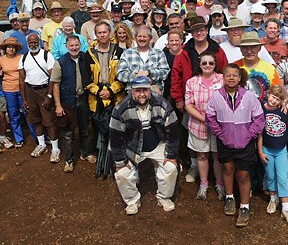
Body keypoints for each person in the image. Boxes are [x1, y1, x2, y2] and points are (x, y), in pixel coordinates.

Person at [205, 64, 266, 227]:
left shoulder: (249, 96)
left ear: (240, 78)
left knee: (243, 175)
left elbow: (259, 119)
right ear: (223, 77)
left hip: (245, 144)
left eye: (235, 75)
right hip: (225, 142)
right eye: (228, 75)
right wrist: (220, 133)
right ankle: (230, 197)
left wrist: (249, 135)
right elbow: (209, 116)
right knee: (228, 169)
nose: (231, 78)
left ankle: (244, 207)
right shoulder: (216, 96)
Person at [111, 76, 180, 215]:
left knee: (171, 168)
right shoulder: (121, 109)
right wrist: (120, 162)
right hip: (132, 147)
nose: (141, 94)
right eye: (137, 91)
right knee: (122, 173)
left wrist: (171, 155)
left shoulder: (162, 104)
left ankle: (164, 197)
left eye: (145, 90)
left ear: (150, 90)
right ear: (131, 91)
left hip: (157, 145)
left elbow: (173, 131)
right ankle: (132, 201)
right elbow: (115, 138)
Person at [184, 51, 225, 201]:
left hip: (219, 125)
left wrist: (215, 119)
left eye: (211, 63)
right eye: (204, 63)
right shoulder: (192, 82)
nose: (207, 66)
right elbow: (189, 105)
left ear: (215, 65)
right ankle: (203, 184)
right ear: (200, 65)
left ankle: (219, 184)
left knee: (217, 155)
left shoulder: (222, 79)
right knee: (202, 155)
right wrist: (204, 118)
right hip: (198, 124)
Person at [83, 22, 125, 156]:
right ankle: (99, 152)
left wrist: (111, 91)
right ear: (95, 34)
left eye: (105, 32)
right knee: (97, 125)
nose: (102, 35)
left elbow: (123, 75)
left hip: (116, 95)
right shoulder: (89, 53)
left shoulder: (119, 51)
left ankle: (116, 153)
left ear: (110, 33)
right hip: (97, 96)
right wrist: (98, 92)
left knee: (116, 126)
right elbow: (86, 77)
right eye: (99, 33)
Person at [50, 35, 91, 171]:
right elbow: (55, 85)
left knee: (85, 129)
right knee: (68, 133)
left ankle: (85, 153)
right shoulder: (60, 62)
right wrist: (58, 105)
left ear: (80, 45)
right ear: (66, 47)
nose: (74, 48)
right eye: (71, 46)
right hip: (67, 102)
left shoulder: (86, 58)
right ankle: (69, 160)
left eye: (76, 45)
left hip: (83, 99)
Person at [257, 85, 288, 224]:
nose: (274, 101)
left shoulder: (284, 112)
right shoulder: (261, 110)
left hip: (281, 150)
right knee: (270, 176)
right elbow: (260, 133)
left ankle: (286, 207)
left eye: (278, 99)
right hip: (267, 149)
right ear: (268, 94)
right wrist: (260, 151)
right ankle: (273, 199)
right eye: (273, 97)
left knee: (282, 177)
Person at [19, 33, 58, 160]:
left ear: (39, 42)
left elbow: (53, 77)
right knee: (35, 119)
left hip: (44, 90)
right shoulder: (24, 58)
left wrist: (49, 96)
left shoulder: (46, 55)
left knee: (49, 120)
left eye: (35, 42)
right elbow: (21, 80)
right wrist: (24, 99)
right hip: (30, 91)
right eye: (30, 43)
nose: (33, 45)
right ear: (27, 44)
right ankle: (41, 144)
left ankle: (55, 148)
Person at [117, 25, 170, 93]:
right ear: (135, 37)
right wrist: (138, 78)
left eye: (144, 36)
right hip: (132, 94)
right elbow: (120, 74)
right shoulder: (127, 53)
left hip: (154, 94)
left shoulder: (159, 53)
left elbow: (165, 72)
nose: (142, 39)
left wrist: (149, 73)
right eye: (139, 36)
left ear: (150, 38)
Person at [0, 37, 29, 148]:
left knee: (28, 112)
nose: (11, 49)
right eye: (8, 47)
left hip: (22, 89)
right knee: (13, 114)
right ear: (5, 48)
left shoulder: (22, 58)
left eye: (13, 47)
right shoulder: (1, 60)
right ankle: (19, 138)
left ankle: (38, 136)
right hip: (8, 89)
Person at [235, 32, 281, 104]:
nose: (249, 51)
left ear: (259, 48)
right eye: (245, 47)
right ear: (241, 49)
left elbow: (278, 94)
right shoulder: (233, 68)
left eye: (253, 47)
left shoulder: (270, 69)